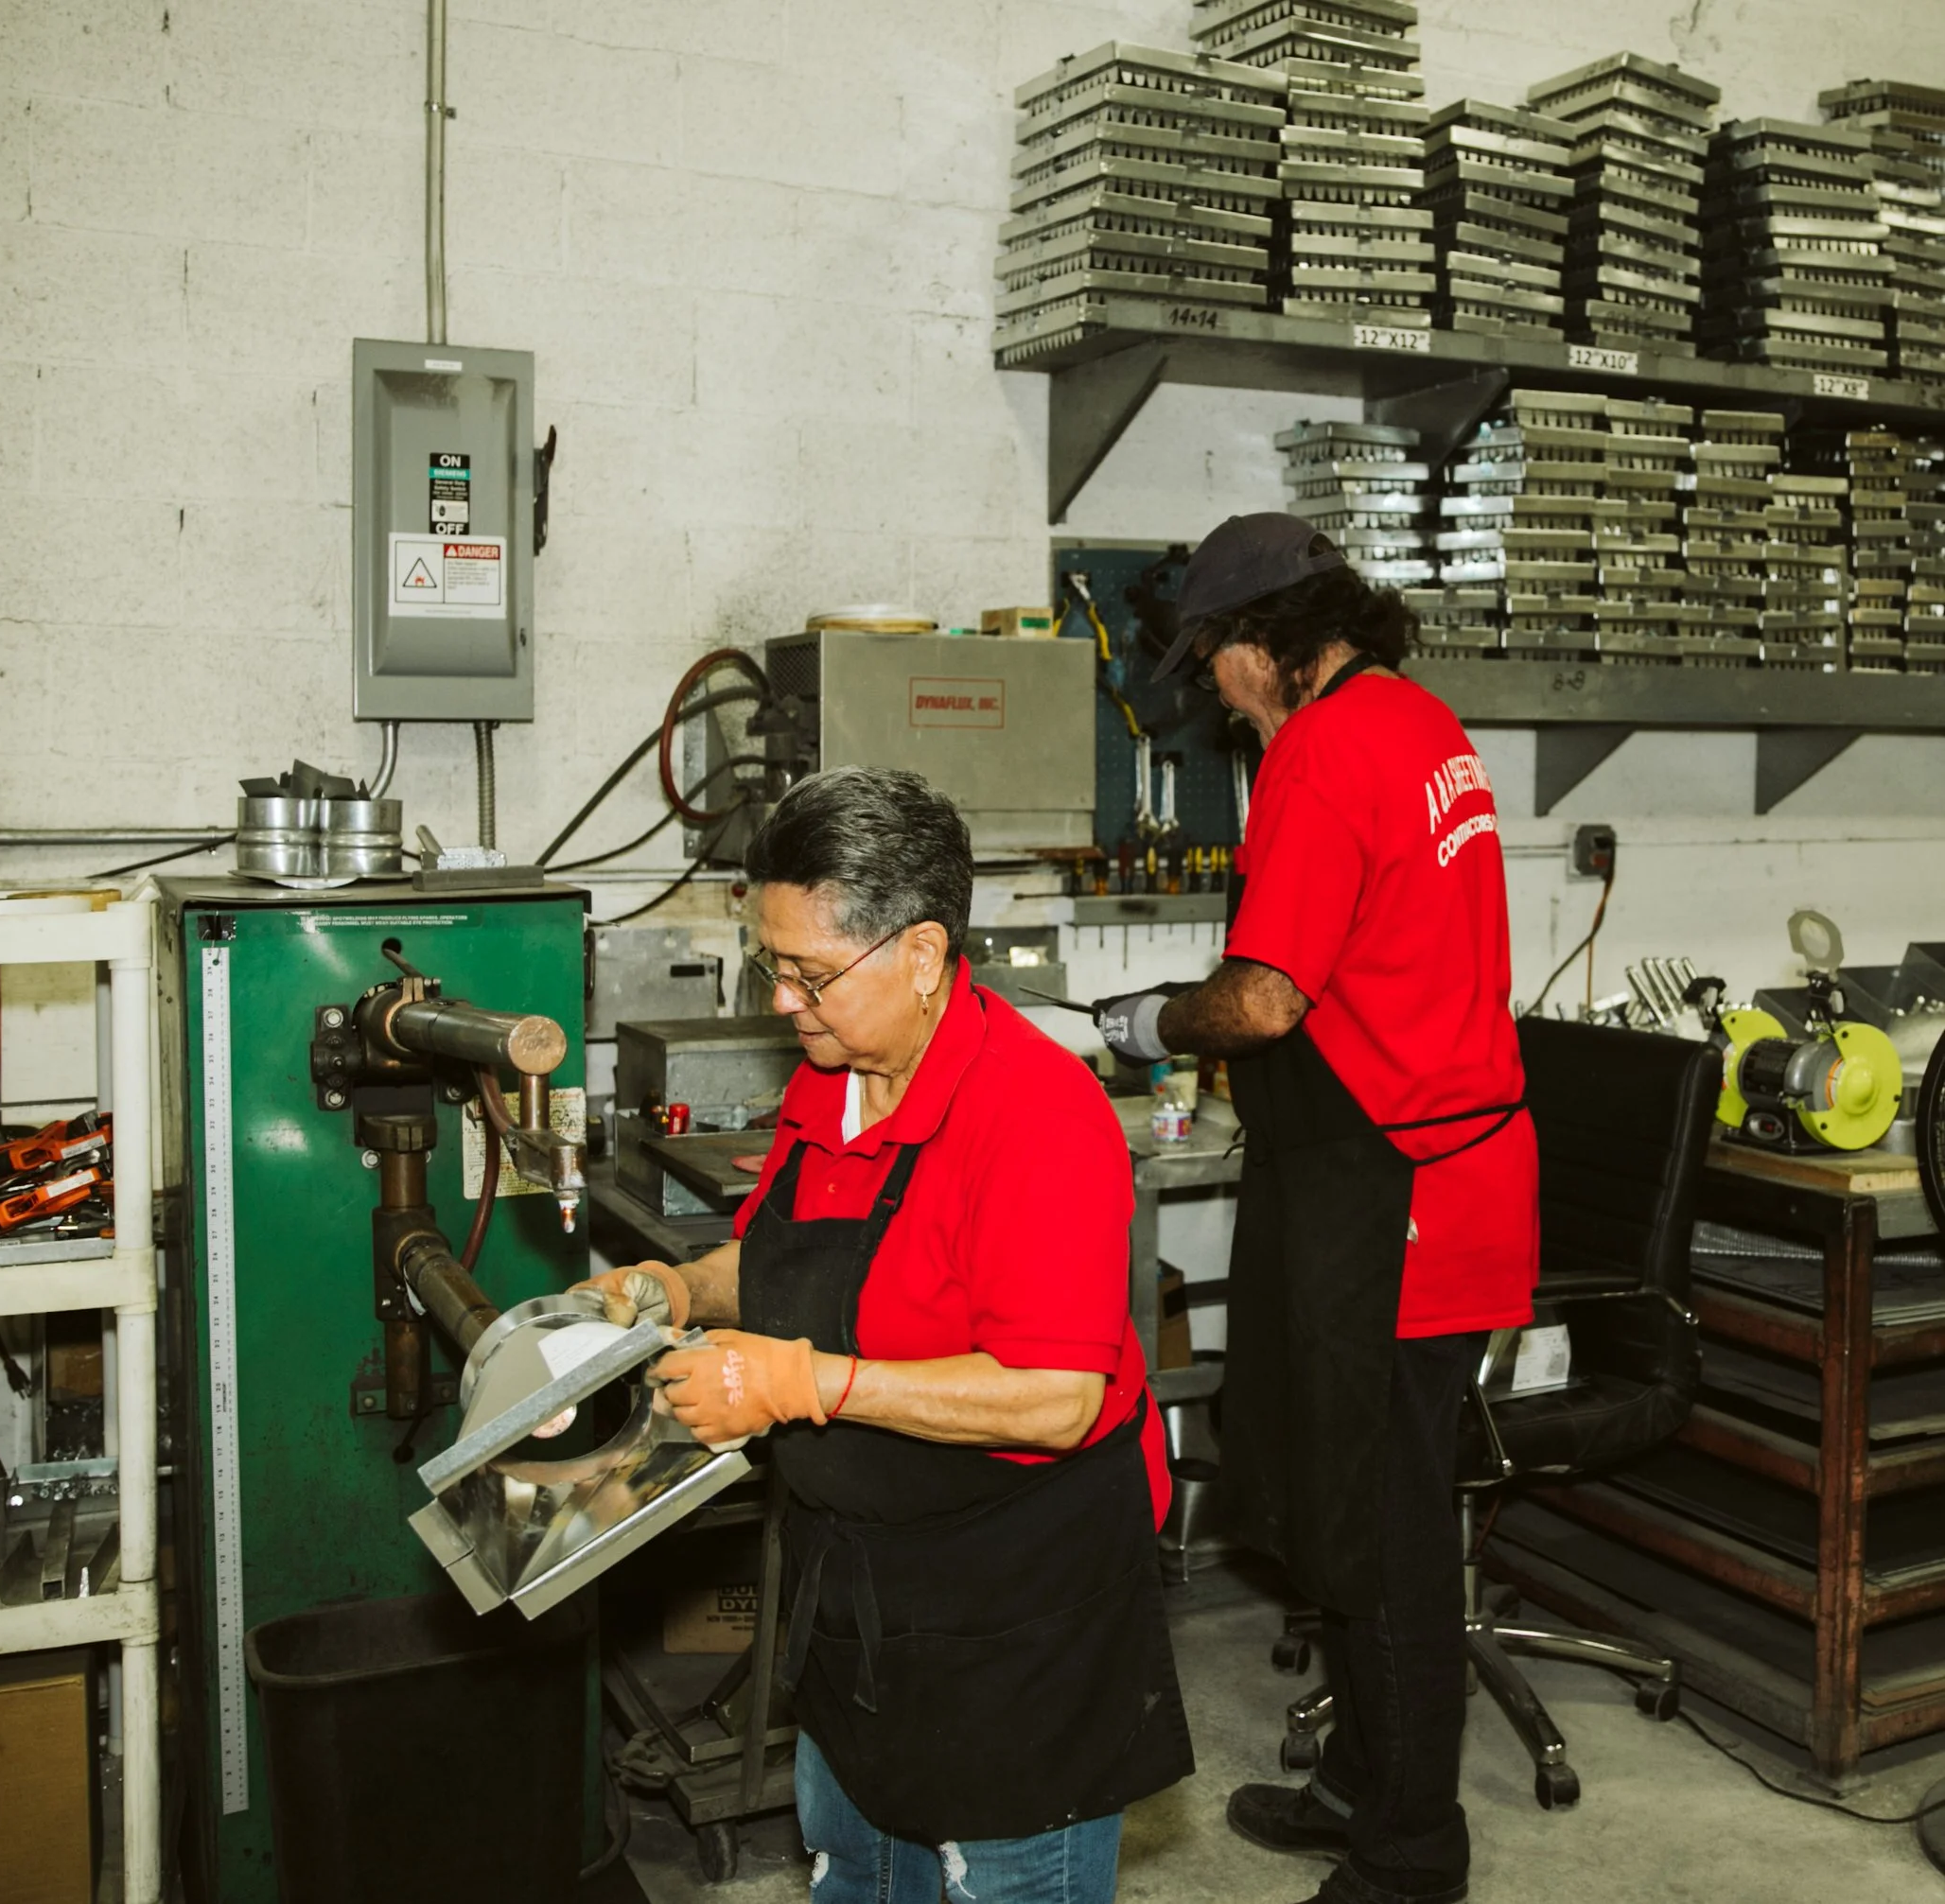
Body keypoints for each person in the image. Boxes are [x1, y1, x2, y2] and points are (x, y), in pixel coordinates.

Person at [586, 765, 1192, 1904]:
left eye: (810, 974)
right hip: (862, 1593)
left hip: (1018, 1613)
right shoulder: (834, 1077)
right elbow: (783, 1266)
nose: (784, 1002)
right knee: (857, 1875)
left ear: (920, 955)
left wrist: (804, 1384)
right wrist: (680, 1291)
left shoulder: (1034, 1117)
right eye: (772, 967)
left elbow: (1056, 1396)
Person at [1095, 515, 1538, 1904]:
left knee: (1386, 1532)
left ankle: (1411, 1853)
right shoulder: (1418, 722)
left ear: (1266, 641)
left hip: (1398, 1190)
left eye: (1216, 663)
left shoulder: (1321, 752)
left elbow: (1266, 999)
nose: (1217, 694)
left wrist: (1148, 1020)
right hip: (1436, 1167)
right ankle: (1358, 1786)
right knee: (1347, 1504)